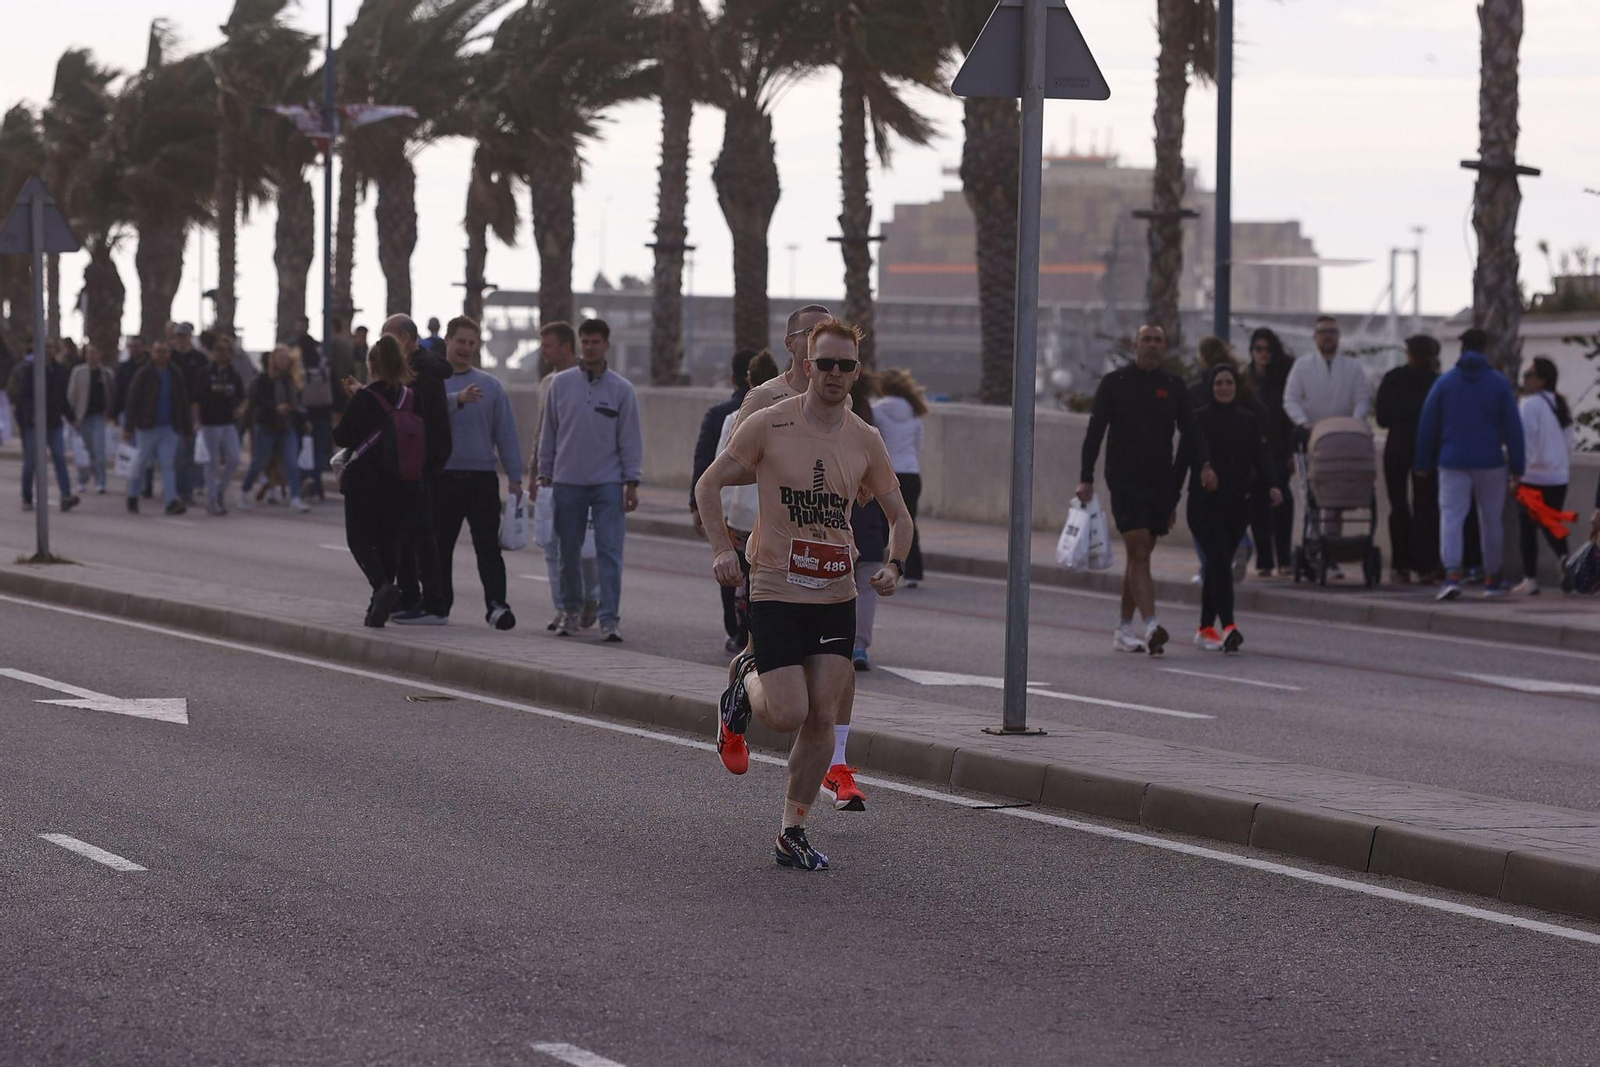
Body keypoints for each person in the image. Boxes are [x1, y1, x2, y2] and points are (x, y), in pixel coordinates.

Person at [694, 318, 913, 871]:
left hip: (836, 591)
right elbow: (708, 483)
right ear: (806, 366)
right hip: (775, 584)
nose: (835, 374)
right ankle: (746, 680)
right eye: (825, 364)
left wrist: (894, 564)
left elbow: (899, 515)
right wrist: (722, 549)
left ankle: (792, 828)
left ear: (857, 373)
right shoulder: (770, 422)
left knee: (823, 717)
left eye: (846, 365)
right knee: (788, 713)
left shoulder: (866, 438)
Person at [724, 304, 869, 812]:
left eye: (839, 357)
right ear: (792, 345)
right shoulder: (765, 400)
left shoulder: (842, 398)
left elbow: (858, 467)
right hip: (775, 556)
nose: (827, 358)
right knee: (783, 689)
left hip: (829, 556)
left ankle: (836, 765)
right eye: (810, 336)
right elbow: (740, 468)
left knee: (837, 670)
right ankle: (742, 696)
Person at [1077, 324, 1214, 655]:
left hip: (1160, 481)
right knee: (1138, 549)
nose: (1151, 345)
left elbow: (1191, 432)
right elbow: (1095, 431)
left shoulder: (1173, 386)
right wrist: (1086, 477)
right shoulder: (1115, 383)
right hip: (1124, 479)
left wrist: (1205, 465)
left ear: (1164, 347)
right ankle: (1152, 624)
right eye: (1146, 340)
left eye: (1157, 340)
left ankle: (1124, 628)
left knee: (1140, 555)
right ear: (1135, 345)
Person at [537, 317, 642, 642]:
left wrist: (632, 481)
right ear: (580, 344)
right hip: (567, 482)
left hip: (607, 485)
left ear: (606, 345)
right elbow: (548, 432)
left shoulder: (622, 390)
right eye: (585, 341)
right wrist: (544, 471)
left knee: (609, 552)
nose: (590, 347)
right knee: (568, 552)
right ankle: (569, 610)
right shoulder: (561, 384)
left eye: (596, 341)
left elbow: (630, 438)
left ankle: (609, 619)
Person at [1176, 364, 1282, 652]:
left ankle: (1205, 627)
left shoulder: (1247, 420)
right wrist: (1170, 503)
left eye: (1229, 383)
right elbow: (1181, 464)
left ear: (1236, 387)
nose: (1224, 387)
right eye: (1219, 383)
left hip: (1236, 506)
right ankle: (1230, 625)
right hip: (1203, 506)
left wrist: (1273, 485)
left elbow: (1261, 458)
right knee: (1221, 561)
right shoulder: (1197, 421)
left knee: (1216, 566)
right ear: (1211, 387)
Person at [1415, 327, 1526, 601]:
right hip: (1490, 461)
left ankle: (1452, 575)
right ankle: (1492, 579)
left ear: (1461, 349)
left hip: (1452, 460)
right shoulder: (1498, 383)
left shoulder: (1445, 383)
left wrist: (1422, 461)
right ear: (1485, 347)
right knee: (1491, 520)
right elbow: (1513, 427)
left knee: (1451, 517)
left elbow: (1428, 424)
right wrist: (1518, 467)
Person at [437, 316, 523, 629]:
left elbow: (507, 434)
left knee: (488, 547)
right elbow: (423, 412)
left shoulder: (491, 387)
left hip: (482, 479)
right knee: (439, 546)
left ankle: (497, 606)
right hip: (443, 478)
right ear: (447, 340)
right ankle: (438, 604)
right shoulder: (432, 383)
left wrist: (515, 477)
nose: (466, 348)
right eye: (460, 341)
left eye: (472, 342)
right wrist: (457, 400)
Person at [333, 335, 422, 629]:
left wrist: (356, 400)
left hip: (364, 480)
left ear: (371, 365)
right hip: (401, 479)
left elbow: (342, 437)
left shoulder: (363, 398)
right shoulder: (410, 397)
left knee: (359, 538)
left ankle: (381, 586)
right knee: (389, 540)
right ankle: (378, 604)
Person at [381, 313, 453, 625]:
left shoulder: (422, 372)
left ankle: (432, 603)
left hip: (420, 463)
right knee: (403, 534)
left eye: (389, 337)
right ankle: (409, 596)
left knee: (421, 535)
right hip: (408, 463)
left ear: (407, 339)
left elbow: (422, 419)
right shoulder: (412, 369)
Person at [527, 321, 600, 630]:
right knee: (552, 547)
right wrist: (535, 471)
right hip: (552, 477)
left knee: (585, 548)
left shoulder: (591, 381)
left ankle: (590, 598)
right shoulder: (547, 383)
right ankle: (563, 607)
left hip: (586, 477)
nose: (543, 352)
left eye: (548, 346)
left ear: (567, 347)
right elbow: (542, 431)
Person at [711, 350, 780, 656]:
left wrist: (721, 514)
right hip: (771, 513)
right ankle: (755, 631)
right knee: (759, 576)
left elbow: (720, 470)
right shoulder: (790, 417)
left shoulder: (734, 419)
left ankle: (742, 633)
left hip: (740, 514)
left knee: (739, 576)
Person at [691, 349, 757, 650]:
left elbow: (705, 462)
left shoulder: (722, 415)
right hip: (757, 513)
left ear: (734, 377)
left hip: (735, 512)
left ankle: (737, 630)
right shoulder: (783, 415)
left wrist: (698, 507)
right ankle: (746, 631)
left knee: (733, 572)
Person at [1375, 335, 1443, 584]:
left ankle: (1400, 564)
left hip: (1396, 447)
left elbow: (1381, 418)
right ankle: (1427, 565)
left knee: (1399, 506)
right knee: (1427, 506)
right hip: (1426, 448)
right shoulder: (1436, 383)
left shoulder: (1393, 379)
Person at [1514, 356, 1575, 595]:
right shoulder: (1559, 404)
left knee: (1527, 530)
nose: (1524, 379)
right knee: (1551, 524)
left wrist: (1518, 473)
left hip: (1533, 478)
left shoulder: (1529, 405)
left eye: (1529, 375)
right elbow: (1569, 442)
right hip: (1558, 477)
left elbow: (1525, 441)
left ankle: (1530, 579)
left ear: (1542, 380)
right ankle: (1564, 558)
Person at [237, 344, 312, 514]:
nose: (284, 361)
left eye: (286, 358)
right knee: (259, 462)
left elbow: (297, 403)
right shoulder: (264, 379)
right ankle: (243, 492)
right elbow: (257, 400)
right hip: (267, 426)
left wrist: (302, 417)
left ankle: (295, 498)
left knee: (292, 463)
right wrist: (275, 407)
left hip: (286, 427)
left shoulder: (290, 380)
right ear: (274, 360)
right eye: (280, 358)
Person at [1245, 328, 1296, 576]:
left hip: (1277, 451)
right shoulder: (1245, 380)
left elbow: (1288, 418)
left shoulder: (1283, 379)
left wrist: (1290, 453)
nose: (1264, 355)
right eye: (1259, 349)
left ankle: (1284, 558)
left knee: (1282, 502)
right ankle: (1264, 559)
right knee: (1257, 505)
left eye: (1268, 349)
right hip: (1253, 452)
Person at [849, 372, 891, 670]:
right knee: (866, 586)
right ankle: (860, 645)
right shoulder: (872, 426)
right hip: (869, 522)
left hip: (838, 522)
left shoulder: (833, 423)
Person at [122, 340, 193, 516]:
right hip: (147, 427)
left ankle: (171, 501)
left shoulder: (175, 373)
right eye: (159, 352)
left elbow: (182, 401)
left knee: (168, 465)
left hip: (168, 427)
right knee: (140, 463)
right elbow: (133, 400)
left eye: (165, 352)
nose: (162, 355)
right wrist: (128, 427)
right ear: (153, 354)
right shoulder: (144, 374)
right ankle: (132, 495)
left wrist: (186, 428)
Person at [872, 367, 929, 586]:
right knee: (908, 521)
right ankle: (913, 572)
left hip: (888, 474)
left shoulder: (877, 411)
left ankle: (877, 563)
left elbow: (875, 443)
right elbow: (918, 446)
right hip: (911, 473)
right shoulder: (914, 413)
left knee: (882, 522)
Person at [10, 343, 79, 513]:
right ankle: (27, 496)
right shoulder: (30, 370)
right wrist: (30, 414)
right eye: (45, 348)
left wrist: (72, 418)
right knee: (31, 462)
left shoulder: (59, 370)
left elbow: (62, 397)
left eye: (51, 348)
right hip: (34, 424)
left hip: (54, 423)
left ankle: (66, 495)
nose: (48, 351)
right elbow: (24, 396)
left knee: (59, 458)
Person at [190, 333, 247, 515]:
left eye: (225, 350)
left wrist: (241, 409)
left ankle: (221, 491)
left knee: (234, 458)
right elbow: (196, 399)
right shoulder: (205, 373)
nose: (221, 353)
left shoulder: (233, 375)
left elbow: (244, 396)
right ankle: (212, 499)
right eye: (218, 350)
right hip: (209, 423)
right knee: (212, 462)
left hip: (228, 423)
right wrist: (197, 420)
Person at [67, 343, 116, 495]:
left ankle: (100, 481)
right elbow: (72, 395)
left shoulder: (106, 373)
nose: (91, 356)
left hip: (99, 417)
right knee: (85, 451)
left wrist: (111, 413)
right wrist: (72, 416)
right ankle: (83, 479)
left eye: (94, 353)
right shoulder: (78, 372)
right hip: (82, 416)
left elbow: (112, 394)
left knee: (99, 449)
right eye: (88, 353)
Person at [170, 324, 209, 505]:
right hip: (173, 410)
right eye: (178, 336)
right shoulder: (169, 358)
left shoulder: (199, 359)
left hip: (193, 409)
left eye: (184, 336)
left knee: (190, 452)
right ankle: (176, 490)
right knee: (177, 452)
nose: (181, 339)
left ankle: (187, 491)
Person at [298, 329, 338, 503]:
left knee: (303, 450)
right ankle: (317, 487)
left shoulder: (300, 365)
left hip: (305, 414)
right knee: (319, 451)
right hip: (324, 411)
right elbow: (334, 386)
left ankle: (305, 480)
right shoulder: (324, 363)